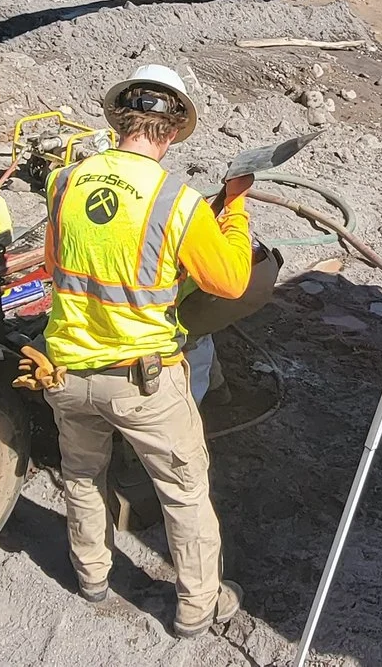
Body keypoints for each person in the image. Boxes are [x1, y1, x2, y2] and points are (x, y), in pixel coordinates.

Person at [40, 64, 251, 636]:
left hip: (67, 371)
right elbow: (231, 281)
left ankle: (91, 578)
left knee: (82, 478)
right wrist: (233, 210)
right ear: (175, 129)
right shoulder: (178, 202)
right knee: (184, 495)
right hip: (142, 382)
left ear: (119, 119)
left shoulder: (66, 180)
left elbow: (56, 267)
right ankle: (195, 609)